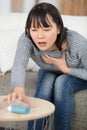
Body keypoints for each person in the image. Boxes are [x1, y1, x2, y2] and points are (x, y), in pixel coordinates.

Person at [2, 2, 87, 130]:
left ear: (58, 29)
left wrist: (66, 69)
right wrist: (18, 89)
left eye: (46, 29)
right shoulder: (27, 39)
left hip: (78, 73)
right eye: (34, 29)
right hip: (49, 70)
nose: (40, 36)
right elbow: (19, 64)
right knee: (45, 89)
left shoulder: (77, 42)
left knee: (62, 82)